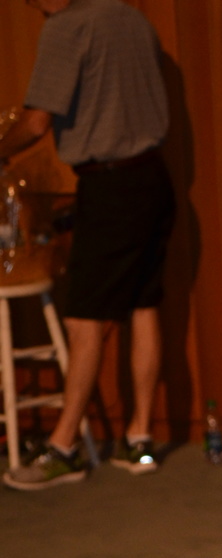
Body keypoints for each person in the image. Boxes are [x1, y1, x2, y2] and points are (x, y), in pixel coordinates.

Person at [1, 0, 173, 490]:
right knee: (143, 303)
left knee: (84, 320)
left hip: (110, 185)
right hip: (153, 179)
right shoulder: (134, 20)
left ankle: (63, 448)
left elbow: (36, 122)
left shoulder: (68, 28)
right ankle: (139, 441)